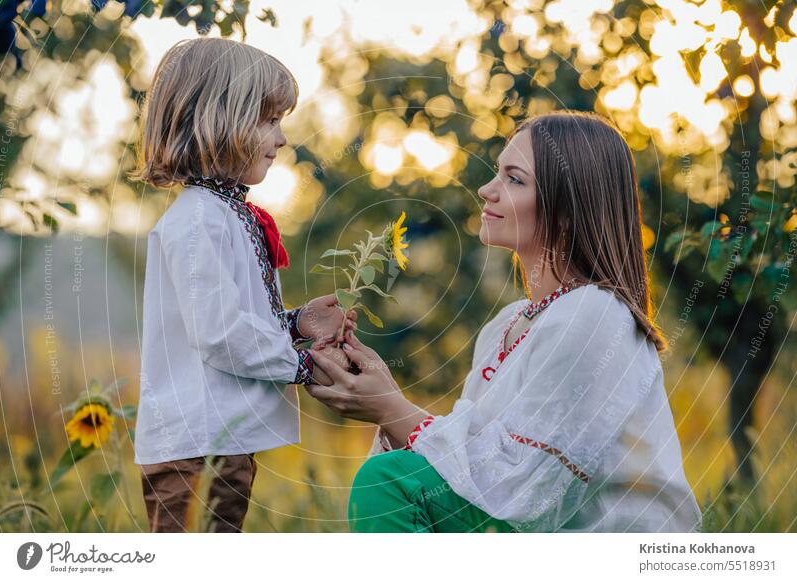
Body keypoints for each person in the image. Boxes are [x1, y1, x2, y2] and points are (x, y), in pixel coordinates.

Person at [306, 111, 703, 533]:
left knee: (386, 483)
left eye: (514, 179)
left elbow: (529, 487)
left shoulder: (593, 313)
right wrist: (385, 392)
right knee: (394, 476)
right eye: (498, 174)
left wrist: (391, 407)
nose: (486, 190)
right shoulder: (507, 325)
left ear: (569, 208)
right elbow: (476, 471)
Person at [130, 38, 352, 533]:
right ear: (217, 118)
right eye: (269, 120)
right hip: (193, 444)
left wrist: (295, 324)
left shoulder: (223, 214)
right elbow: (220, 333)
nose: (282, 138)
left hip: (219, 438)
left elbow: (235, 316)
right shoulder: (198, 221)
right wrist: (304, 365)